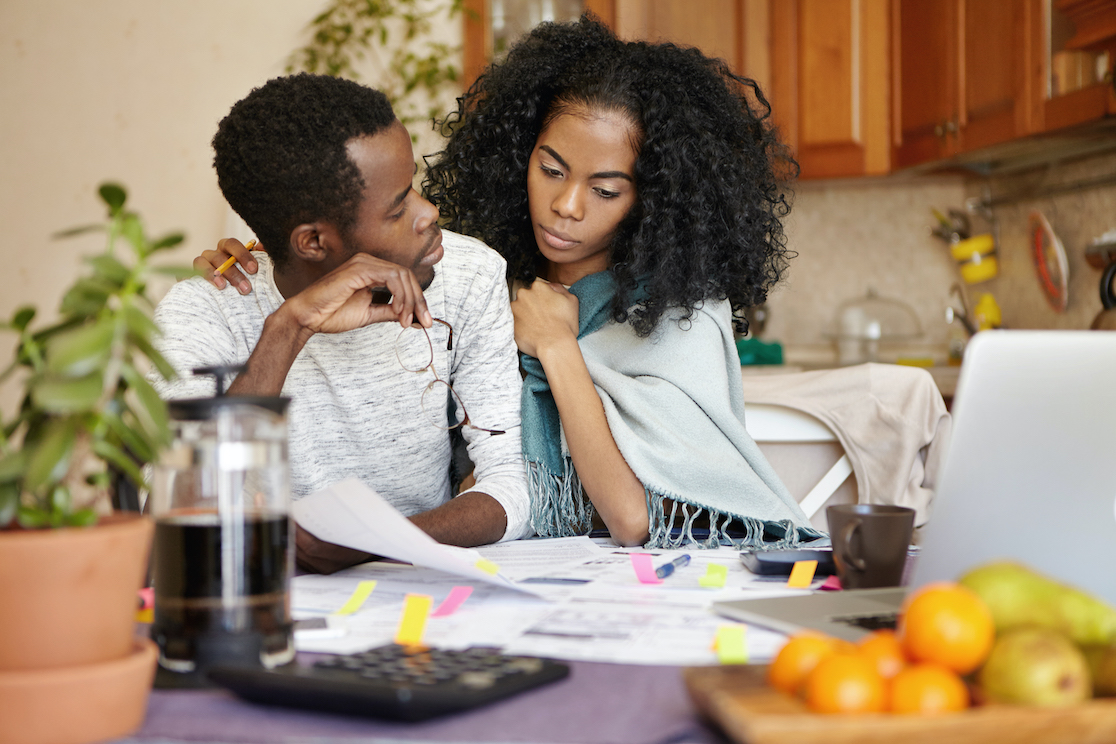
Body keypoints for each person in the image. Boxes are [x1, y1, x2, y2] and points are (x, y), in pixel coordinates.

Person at [201, 17, 821, 550]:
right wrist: (275, 258)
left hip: (629, 582)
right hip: (486, 566)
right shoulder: (479, 275)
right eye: (550, 169)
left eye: (605, 189)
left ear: (654, 197)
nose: (567, 205)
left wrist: (557, 347)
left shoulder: (678, 313)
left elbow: (632, 519)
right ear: (518, 153)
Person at [151, 73, 531, 574]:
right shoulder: (204, 310)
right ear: (312, 243)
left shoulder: (469, 275)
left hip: (418, 590)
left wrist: (375, 543)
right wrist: (289, 328)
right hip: (264, 603)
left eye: (413, 187)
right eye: (398, 209)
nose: (430, 212)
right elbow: (184, 509)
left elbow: (511, 485)